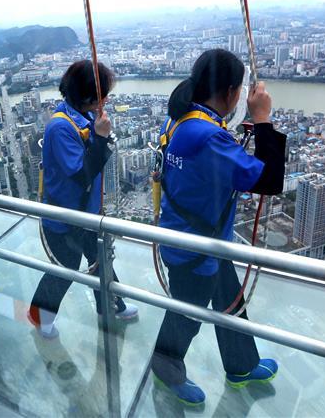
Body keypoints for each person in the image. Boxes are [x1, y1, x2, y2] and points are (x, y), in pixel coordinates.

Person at [149, 49, 286, 405]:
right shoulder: (208, 136)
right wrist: (264, 120)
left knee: (231, 302)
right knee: (187, 314)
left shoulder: (181, 119)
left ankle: (241, 364)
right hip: (196, 247)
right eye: (238, 91)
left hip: (198, 237)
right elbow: (269, 180)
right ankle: (165, 368)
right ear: (229, 92)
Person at [28, 60, 139, 339]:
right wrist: (101, 139)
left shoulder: (83, 117)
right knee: (65, 269)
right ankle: (39, 315)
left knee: (100, 262)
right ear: (87, 94)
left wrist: (100, 135)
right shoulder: (60, 126)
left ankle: (110, 306)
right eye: (102, 94)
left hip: (87, 213)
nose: (106, 99)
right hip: (66, 217)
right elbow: (80, 175)